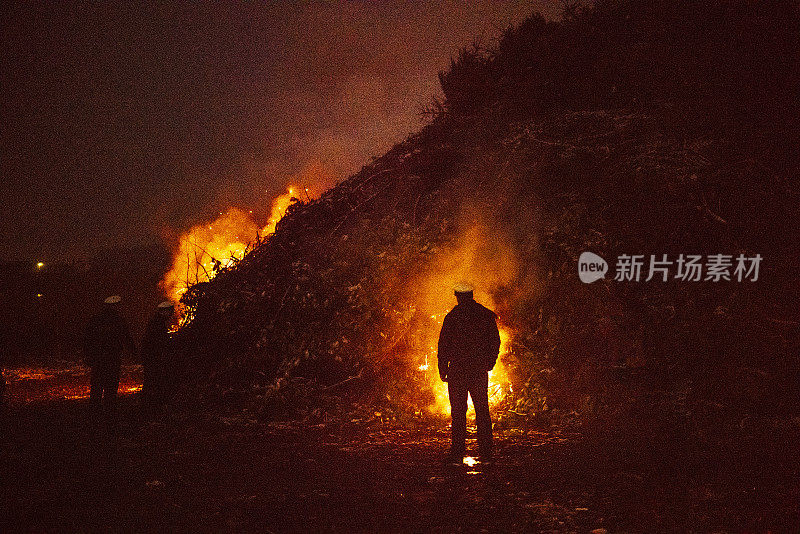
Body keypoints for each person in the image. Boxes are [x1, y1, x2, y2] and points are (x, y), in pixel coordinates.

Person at [437, 283, 501, 463]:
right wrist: (490, 362)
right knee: (482, 410)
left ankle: (457, 450)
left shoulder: (452, 317)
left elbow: (444, 346)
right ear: (472, 295)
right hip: (477, 370)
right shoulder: (485, 315)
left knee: (458, 412)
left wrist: (443, 369)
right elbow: (495, 341)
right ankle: (486, 450)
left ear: (457, 295)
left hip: (457, 371)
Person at [83, 295, 135, 415]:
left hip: (99, 359)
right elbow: (126, 338)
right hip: (112, 358)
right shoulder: (118, 320)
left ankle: (94, 411)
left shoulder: (96, 319)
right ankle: (109, 411)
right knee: (110, 387)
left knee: (97, 386)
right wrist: (133, 353)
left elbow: (87, 338)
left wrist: (87, 355)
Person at [141, 300, 175, 408]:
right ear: (164, 311)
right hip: (153, 356)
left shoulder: (156, 321)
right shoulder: (157, 323)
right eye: (170, 311)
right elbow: (157, 341)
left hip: (151, 355)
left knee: (151, 380)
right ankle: (150, 405)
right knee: (152, 380)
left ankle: (148, 403)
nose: (171, 314)